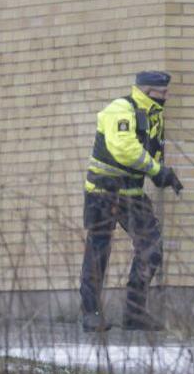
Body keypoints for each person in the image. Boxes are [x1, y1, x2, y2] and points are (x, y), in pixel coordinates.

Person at [79, 70, 184, 332]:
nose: (166, 97)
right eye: (163, 93)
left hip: (132, 194)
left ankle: (135, 314)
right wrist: (157, 171)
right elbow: (124, 149)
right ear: (148, 91)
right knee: (98, 252)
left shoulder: (153, 117)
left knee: (151, 247)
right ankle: (90, 314)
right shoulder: (120, 109)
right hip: (103, 192)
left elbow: (150, 152)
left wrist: (163, 174)